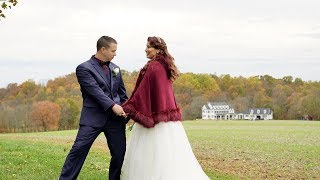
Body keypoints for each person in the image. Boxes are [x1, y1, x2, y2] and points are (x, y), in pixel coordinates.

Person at [121, 37, 210, 180]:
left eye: (148, 46)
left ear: (158, 49)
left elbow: (143, 92)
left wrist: (127, 107)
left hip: (156, 118)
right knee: (168, 153)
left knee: (152, 154)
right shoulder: (164, 66)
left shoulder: (154, 66)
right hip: (167, 118)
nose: (145, 49)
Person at [59, 36, 129, 180]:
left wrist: (127, 109)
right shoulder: (84, 68)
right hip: (92, 119)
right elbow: (95, 92)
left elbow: (122, 94)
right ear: (103, 49)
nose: (115, 54)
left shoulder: (116, 68)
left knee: (119, 154)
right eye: (113, 51)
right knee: (78, 150)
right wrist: (113, 106)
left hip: (115, 121)